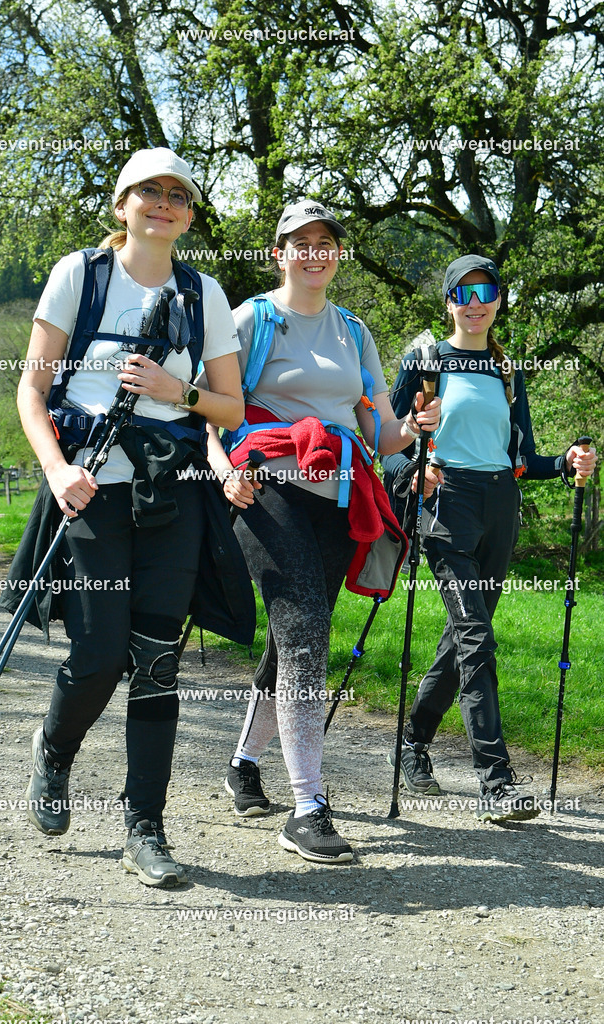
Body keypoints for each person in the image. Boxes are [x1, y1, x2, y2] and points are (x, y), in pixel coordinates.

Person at [16, 147, 247, 887]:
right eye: (148, 191)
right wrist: (57, 469)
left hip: (173, 492)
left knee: (155, 660)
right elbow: (32, 387)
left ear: (187, 214)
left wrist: (174, 391)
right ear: (122, 204)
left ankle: (144, 827)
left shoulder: (202, 292)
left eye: (177, 195)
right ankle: (53, 751)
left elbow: (232, 407)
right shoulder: (78, 274)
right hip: (90, 488)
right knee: (98, 653)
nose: (162, 204)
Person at [205, 200, 441, 863]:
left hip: (339, 499)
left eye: (325, 242)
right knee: (306, 629)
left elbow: (379, 432)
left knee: (292, 640)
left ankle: (242, 764)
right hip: (266, 488)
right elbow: (209, 411)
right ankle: (307, 807)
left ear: (336, 255)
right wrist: (222, 471)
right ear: (278, 252)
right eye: (299, 242)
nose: (314, 252)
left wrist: (416, 440)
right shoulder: (253, 318)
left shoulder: (352, 331)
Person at [381, 255, 597, 823]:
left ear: (500, 300)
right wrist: (411, 473)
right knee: (476, 637)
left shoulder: (507, 370)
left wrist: (566, 460)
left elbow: (522, 457)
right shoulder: (425, 360)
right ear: (449, 301)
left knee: (464, 639)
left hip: (501, 505)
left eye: (487, 291)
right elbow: (386, 439)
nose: (476, 302)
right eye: (464, 292)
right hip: (447, 507)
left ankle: (412, 743)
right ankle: (496, 782)